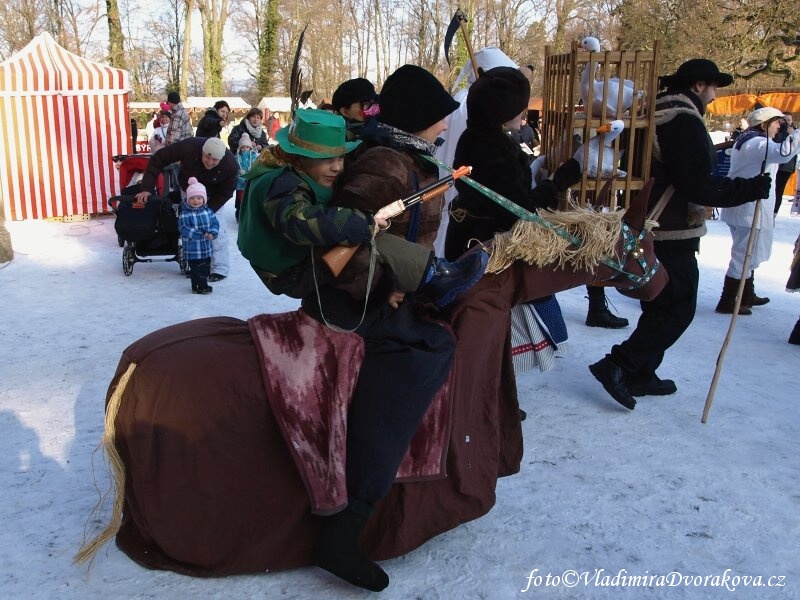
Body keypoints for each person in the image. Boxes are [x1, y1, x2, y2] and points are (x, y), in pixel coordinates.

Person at [237, 105, 482, 592]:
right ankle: (434, 278)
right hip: (296, 274)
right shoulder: (283, 187)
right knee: (414, 333)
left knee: (381, 252)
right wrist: (359, 224)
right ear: (295, 156)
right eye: (324, 160)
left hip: (313, 265)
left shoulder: (302, 173)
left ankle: (427, 278)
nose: (336, 168)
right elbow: (302, 224)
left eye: (338, 159)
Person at [588, 58, 774, 410]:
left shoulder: (653, 112)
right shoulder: (682, 120)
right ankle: (619, 364)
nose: (715, 95)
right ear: (699, 86)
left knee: (659, 303)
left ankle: (641, 373)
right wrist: (747, 189)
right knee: (678, 306)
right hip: (669, 229)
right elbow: (695, 183)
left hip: (650, 222)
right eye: (714, 87)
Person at [716, 106, 800, 314]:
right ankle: (729, 300)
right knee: (743, 254)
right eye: (775, 123)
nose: (778, 127)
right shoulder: (756, 142)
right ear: (764, 124)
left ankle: (746, 294)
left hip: (745, 206)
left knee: (748, 252)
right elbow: (783, 153)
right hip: (748, 208)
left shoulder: (752, 140)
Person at [135, 136, 237, 282]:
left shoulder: (231, 165)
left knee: (217, 229)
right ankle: (196, 265)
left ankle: (219, 268)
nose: (210, 162)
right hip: (189, 191)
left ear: (221, 159)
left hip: (213, 196)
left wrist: (209, 210)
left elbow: (227, 191)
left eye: (215, 160)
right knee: (190, 228)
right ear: (202, 151)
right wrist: (146, 188)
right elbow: (158, 158)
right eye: (207, 157)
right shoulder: (189, 146)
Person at [178, 177, 219, 294]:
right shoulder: (185, 214)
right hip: (193, 250)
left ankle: (199, 285)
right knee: (197, 269)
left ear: (204, 199)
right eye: (192, 198)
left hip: (206, 249)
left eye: (199, 198)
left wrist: (212, 233)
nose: (196, 201)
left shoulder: (208, 211)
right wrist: (201, 235)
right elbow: (184, 229)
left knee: (205, 268)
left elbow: (214, 223)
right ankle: (200, 287)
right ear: (188, 199)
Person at [773, 112, 797, 218]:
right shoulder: (776, 131)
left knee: (779, 190)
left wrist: (792, 134)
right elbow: (776, 145)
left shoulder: (794, 132)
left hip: (787, 167)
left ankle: (774, 213)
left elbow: (794, 149)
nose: (786, 122)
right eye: (784, 120)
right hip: (775, 164)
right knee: (771, 188)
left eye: (789, 120)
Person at [233, 133, 258, 221]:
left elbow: (257, 169)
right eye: (243, 147)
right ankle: (240, 216)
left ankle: (250, 217)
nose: (245, 149)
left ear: (250, 147)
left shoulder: (254, 157)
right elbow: (235, 172)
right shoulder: (237, 158)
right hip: (240, 185)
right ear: (240, 148)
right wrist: (242, 179)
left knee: (250, 200)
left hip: (251, 183)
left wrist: (251, 178)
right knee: (241, 201)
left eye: (247, 147)